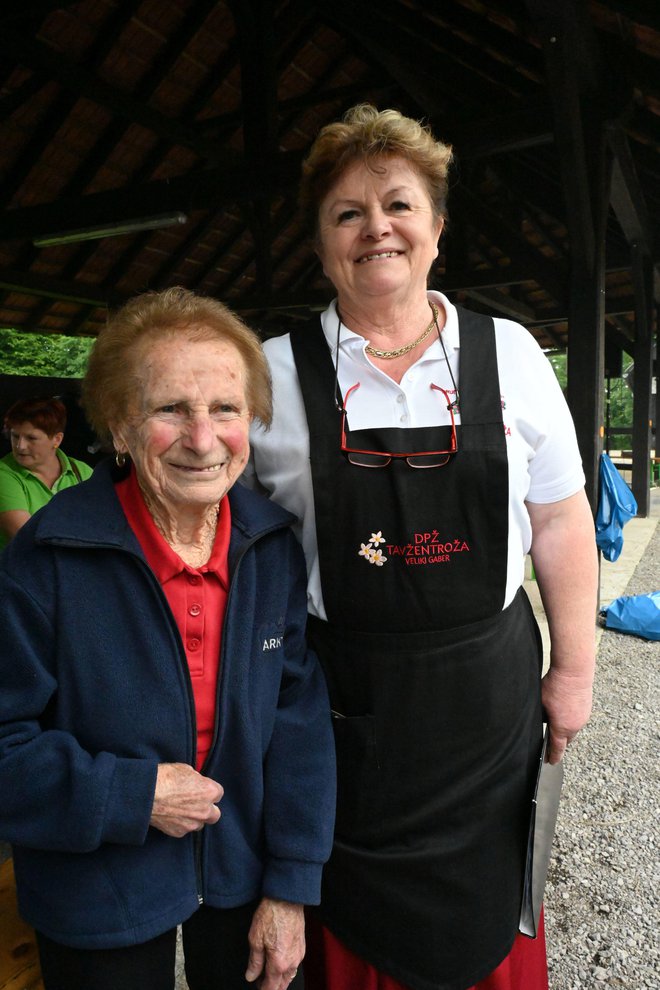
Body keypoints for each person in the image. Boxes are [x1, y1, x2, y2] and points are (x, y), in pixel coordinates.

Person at [244, 104, 599, 990]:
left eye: (399, 204)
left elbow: (559, 518)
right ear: (321, 241)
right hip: (341, 707)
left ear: (438, 228)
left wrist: (576, 672)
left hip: (488, 701)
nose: (377, 230)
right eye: (347, 213)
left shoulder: (510, 352)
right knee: (353, 927)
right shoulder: (268, 374)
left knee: (488, 916)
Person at [0, 287, 336, 990]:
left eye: (226, 409)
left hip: (245, 879)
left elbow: (297, 727)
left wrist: (292, 884)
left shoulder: (269, 547)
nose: (204, 438)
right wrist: (130, 795)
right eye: (170, 409)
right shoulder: (47, 559)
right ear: (120, 428)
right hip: (96, 890)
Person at [0, 395, 93, 548]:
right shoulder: (4, 475)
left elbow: (104, 523)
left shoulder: (82, 471)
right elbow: (26, 539)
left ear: (57, 439)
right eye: (15, 436)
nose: (20, 446)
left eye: (31, 438)